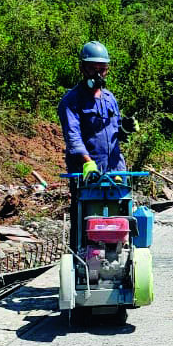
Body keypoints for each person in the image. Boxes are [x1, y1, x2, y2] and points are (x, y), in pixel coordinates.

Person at [58, 41, 139, 244]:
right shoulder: (71, 101)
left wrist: (126, 129)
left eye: (102, 69)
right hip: (86, 171)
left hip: (115, 169)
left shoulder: (110, 99)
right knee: (85, 217)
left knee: (120, 214)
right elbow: (73, 136)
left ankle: (121, 259)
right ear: (82, 68)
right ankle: (81, 260)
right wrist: (87, 161)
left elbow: (115, 135)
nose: (98, 74)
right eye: (93, 69)